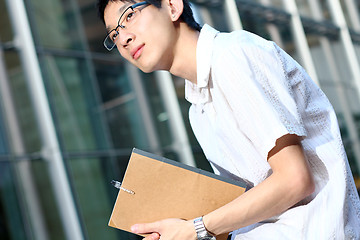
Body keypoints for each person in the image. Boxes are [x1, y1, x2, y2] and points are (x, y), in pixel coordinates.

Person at [97, 0, 360, 239]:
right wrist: (185, 228)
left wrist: (196, 228)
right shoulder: (197, 108)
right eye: (114, 34)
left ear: (172, 6)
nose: (123, 38)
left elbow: (295, 180)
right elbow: (248, 206)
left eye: (129, 16)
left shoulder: (232, 56)